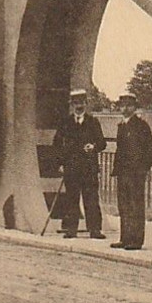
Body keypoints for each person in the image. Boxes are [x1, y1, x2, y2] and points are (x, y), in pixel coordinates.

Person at [50, 87, 106, 239]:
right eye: (75, 103)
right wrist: (60, 163)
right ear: (72, 105)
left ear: (86, 104)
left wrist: (94, 146)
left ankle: (94, 230)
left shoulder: (93, 122)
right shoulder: (65, 123)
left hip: (89, 168)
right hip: (71, 167)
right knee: (71, 199)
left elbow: (102, 143)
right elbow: (56, 144)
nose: (79, 106)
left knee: (91, 199)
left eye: (81, 103)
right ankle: (71, 229)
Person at [110, 93, 152, 250]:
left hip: (135, 174)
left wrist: (142, 169)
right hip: (123, 173)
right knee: (124, 205)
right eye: (122, 105)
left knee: (135, 205)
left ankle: (136, 240)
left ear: (134, 108)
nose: (125, 108)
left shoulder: (141, 126)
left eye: (128, 105)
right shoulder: (122, 126)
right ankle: (125, 238)